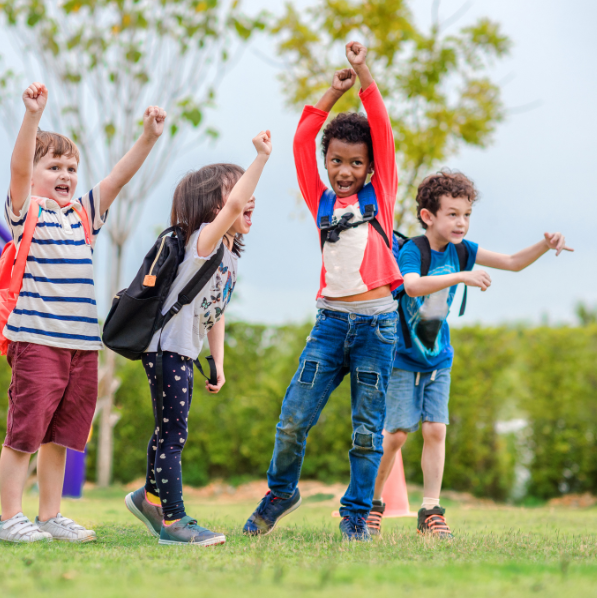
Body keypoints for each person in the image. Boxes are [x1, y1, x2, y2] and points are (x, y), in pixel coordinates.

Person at [0, 82, 167, 543]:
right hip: (37, 342)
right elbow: (17, 167)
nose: (65, 174)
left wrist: (148, 137)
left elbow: (117, 178)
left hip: (81, 348)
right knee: (24, 434)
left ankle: (49, 516)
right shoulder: (28, 212)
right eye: (53, 166)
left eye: (71, 167)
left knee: (61, 437)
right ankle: (9, 519)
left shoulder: (83, 215)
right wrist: (32, 117)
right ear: (34, 176)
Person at [244, 41, 402, 541]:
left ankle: (355, 514)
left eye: (355, 163)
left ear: (370, 168)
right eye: (336, 161)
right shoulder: (321, 201)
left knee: (365, 430)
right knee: (293, 419)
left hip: (377, 327)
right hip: (330, 325)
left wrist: (363, 71)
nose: (344, 171)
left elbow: (382, 129)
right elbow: (301, 139)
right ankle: (280, 492)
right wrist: (332, 92)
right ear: (326, 162)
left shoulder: (381, 195)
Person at [366, 170, 572, 539]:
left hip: (438, 358)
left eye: (466, 215)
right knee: (395, 436)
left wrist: (544, 245)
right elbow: (411, 286)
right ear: (428, 216)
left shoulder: (463, 251)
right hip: (402, 358)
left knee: (436, 430)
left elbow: (512, 262)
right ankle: (373, 503)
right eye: (452, 214)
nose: (461, 222)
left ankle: (430, 510)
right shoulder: (415, 250)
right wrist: (461, 277)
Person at [125, 130, 272, 546]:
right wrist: (260, 159)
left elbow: (215, 312)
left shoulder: (229, 256)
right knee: (173, 435)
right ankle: (174, 520)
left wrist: (217, 362)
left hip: (184, 351)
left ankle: (147, 498)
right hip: (166, 349)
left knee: (168, 429)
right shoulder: (203, 242)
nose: (248, 200)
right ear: (213, 207)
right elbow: (237, 204)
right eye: (236, 191)